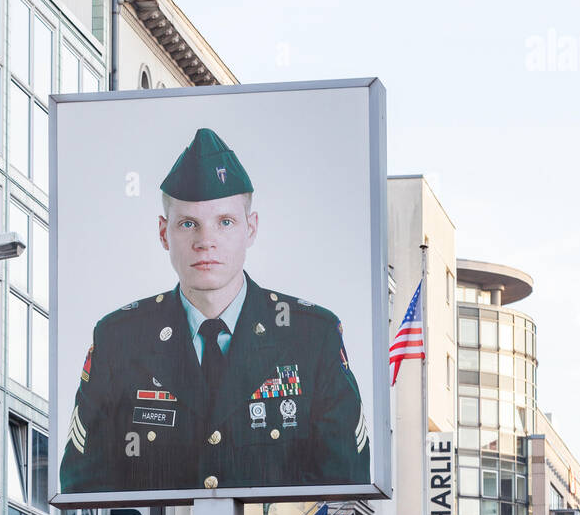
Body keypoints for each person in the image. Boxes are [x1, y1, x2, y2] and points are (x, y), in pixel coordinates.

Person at [60, 128, 371, 496]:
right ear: (164, 233)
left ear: (250, 229)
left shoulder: (310, 337)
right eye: (188, 223)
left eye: (225, 222)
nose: (205, 240)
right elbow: (82, 486)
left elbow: (345, 485)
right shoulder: (119, 339)